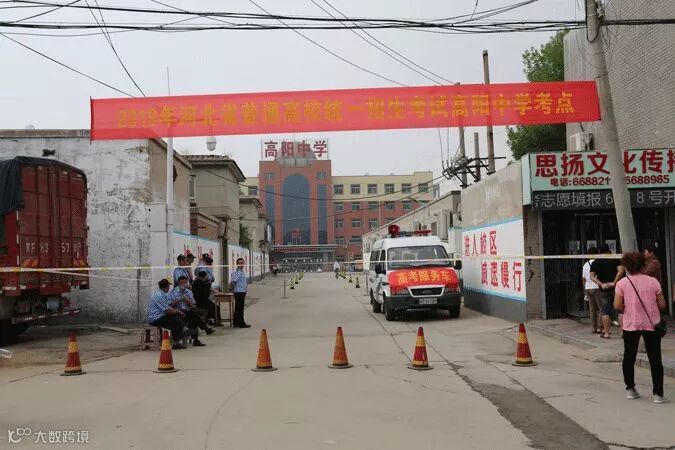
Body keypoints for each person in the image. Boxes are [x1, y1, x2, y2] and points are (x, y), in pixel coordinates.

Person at [614, 251, 668, 403]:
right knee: (655, 359)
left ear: (626, 267)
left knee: (629, 357)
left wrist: (629, 307)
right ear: (643, 265)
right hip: (652, 324)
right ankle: (658, 394)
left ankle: (630, 389)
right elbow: (662, 305)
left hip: (631, 324)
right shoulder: (653, 282)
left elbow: (617, 305)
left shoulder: (622, 283)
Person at [590, 244, 623, 339]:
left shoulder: (596, 262)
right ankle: (623, 332)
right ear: (609, 250)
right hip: (616, 288)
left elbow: (592, 276)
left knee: (605, 311)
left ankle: (606, 333)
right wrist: (614, 282)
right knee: (620, 310)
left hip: (603, 290)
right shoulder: (614, 259)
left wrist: (601, 284)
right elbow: (621, 271)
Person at [172, 276, 213, 346]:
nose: (183, 285)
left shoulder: (189, 292)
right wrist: (179, 300)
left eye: (185, 283)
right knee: (194, 317)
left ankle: (196, 339)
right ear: (178, 283)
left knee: (194, 317)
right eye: (182, 283)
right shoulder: (173, 292)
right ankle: (204, 328)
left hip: (187, 311)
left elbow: (193, 305)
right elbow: (170, 305)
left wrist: (188, 301)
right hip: (178, 312)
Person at [147, 279, 187, 350]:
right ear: (167, 286)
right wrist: (177, 312)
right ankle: (182, 331)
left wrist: (178, 311)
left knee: (175, 319)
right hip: (155, 319)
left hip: (160, 316)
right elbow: (167, 310)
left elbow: (168, 306)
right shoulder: (159, 295)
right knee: (174, 318)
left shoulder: (162, 294)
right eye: (168, 286)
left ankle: (180, 335)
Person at [582, 247, 601, 334]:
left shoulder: (585, 265)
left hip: (588, 287)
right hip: (596, 287)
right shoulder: (598, 263)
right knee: (601, 308)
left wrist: (585, 290)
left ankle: (594, 327)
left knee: (592, 309)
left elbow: (583, 278)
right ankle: (600, 327)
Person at [229, 258, 250, 328]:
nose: (241, 264)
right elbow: (233, 282)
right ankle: (241, 324)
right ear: (237, 264)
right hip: (239, 292)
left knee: (238, 308)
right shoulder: (237, 272)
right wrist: (231, 290)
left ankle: (236, 322)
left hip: (242, 291)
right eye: (240, 263)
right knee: (240, 308)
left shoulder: (242, 271)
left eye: (242, 263)